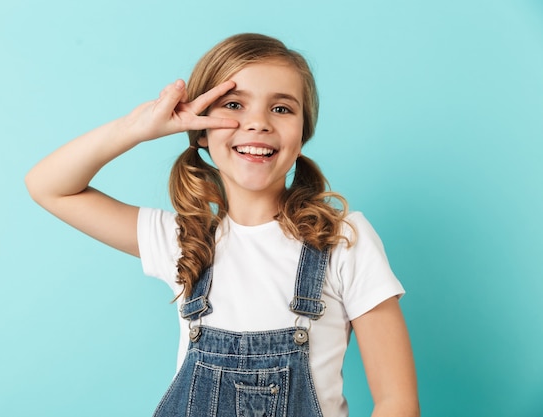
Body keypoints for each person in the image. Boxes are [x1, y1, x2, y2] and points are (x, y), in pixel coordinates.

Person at [25, 33, 419, 417]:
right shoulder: (182, 240)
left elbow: (397, 402)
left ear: (303, 133)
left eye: (281, 108)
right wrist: (137, 128)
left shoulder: (343, 240)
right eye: (233, 105)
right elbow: (49, 187)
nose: (258, 123)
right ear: (200, 128)